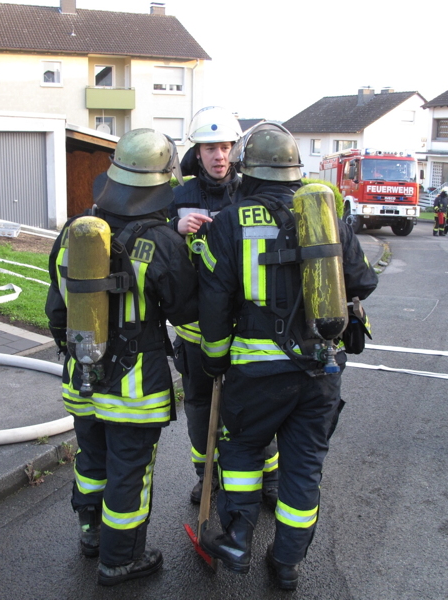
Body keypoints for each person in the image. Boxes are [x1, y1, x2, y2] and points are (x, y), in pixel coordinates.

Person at [196, 122, 378, 589]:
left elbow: (213, 303)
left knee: (241, 448)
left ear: (247, 172)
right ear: (296, 170)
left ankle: (237, 539)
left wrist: (214, 359)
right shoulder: (324, 214)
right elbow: (363, 281)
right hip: (321, 369)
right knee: (304, 467)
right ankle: (287, 563)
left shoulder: (229, 222)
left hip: (256, 371)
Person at [45, 129, 199, 586]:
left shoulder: (75, 232)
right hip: (135, 390)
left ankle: (91, 535)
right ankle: (121, 559)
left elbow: (56, 310)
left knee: (92, 461)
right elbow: (186, 314)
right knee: (130, 474)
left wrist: (78, 355)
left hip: (82, 377)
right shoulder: (163, 243)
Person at [169, 107, 279, 507]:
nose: (219, 156)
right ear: (197, 153)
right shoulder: (178, 199)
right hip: (195, 330)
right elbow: (154, 246)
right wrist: (174, 229)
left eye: (226, 147)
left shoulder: (251, 193)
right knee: (199, 409)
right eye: (210, 148)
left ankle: (269, 477)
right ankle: (207, 477)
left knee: (256, 406)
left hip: (245, 326)